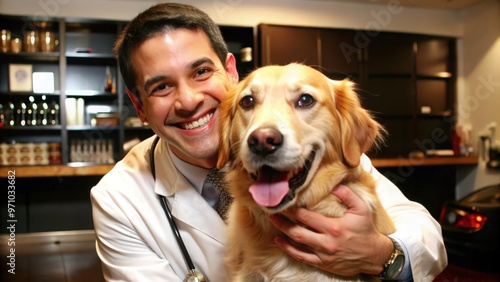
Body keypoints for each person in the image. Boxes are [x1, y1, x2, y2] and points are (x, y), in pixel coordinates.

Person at [90, 3, 447, 281]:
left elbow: (426, 236)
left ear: (231, 72)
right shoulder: (117, 200)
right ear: (139, 106)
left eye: (201, 72)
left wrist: (381, 254)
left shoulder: (322, 153)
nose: (188, 100)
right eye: (161, 86)